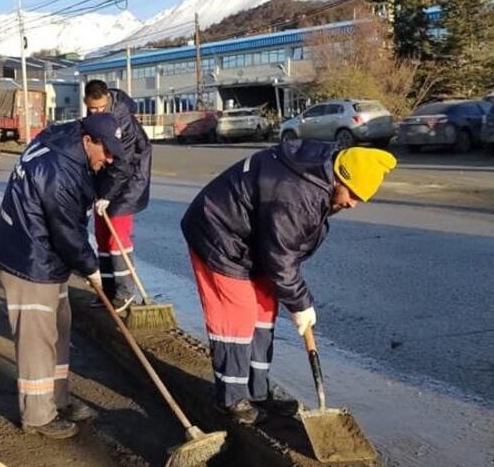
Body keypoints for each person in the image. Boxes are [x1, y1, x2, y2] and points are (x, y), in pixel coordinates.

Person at [181, 141, 397, 424]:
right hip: (217, 233)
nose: (352, 204)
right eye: (353, 195)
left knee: (263, 309)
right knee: (237, 316)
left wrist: (297, 299)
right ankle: (231, 400)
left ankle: (258, 392)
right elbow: (281, 257)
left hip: (251, 240)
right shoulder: (297, 194)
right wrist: (301, 304)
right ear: (340, 177)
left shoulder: (320, 175)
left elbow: (285, 248)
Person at [0, 113, 124, 439]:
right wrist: (93, 270)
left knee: (59, 329)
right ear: (88, 140)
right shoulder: (59, 171)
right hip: (28, 258)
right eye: (106, 151)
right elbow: (68, 233)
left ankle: (58, 399)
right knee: (37, 339)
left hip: (47, 256)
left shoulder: (63, 139)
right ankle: (38, 414)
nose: (109, 159)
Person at [83, 79, 152, 310]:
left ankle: (125, 291)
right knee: (102, 236)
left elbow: (123, 162)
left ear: (108, 100)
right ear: (86, 103)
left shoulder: (122, 119)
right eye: (93, 109)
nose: (97, 112)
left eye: (101, 108)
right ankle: (109, 291)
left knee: (117, 239)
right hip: (106, 181)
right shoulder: (91, 117)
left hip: (128, 181)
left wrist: (109, 196)